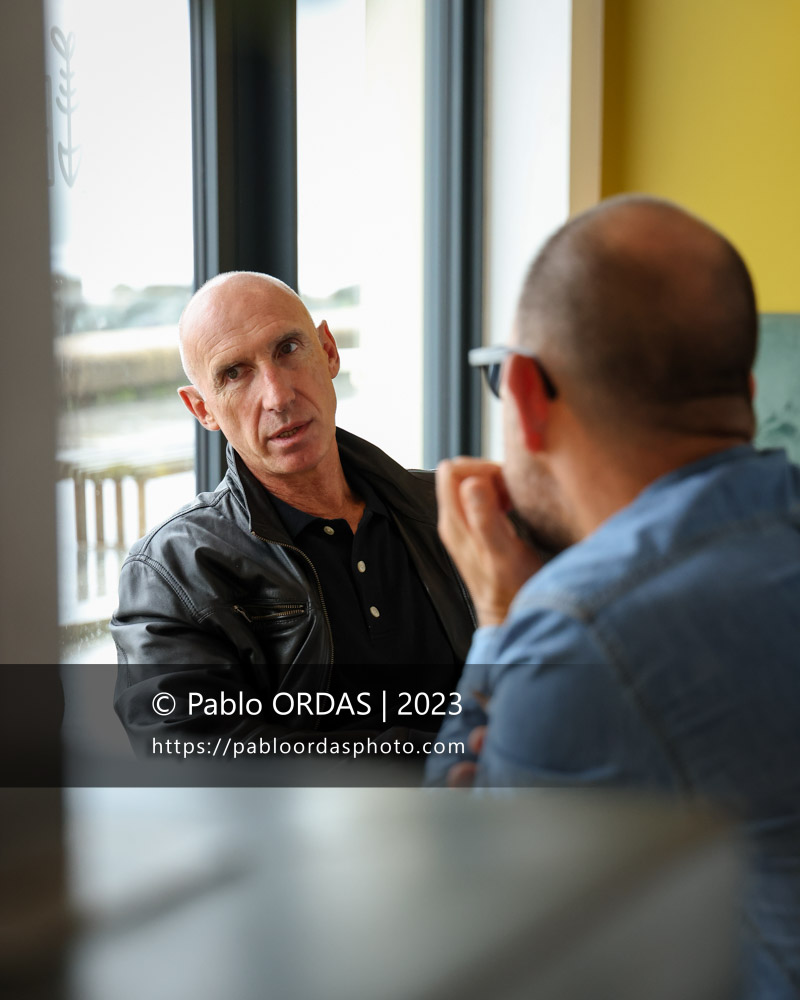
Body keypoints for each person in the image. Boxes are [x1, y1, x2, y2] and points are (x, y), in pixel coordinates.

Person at [426, 195, 800, 998]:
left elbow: (453, 920)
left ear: (526, 395)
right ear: (743, 390)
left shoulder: (580, 636)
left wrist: (500, 620)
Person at [111, 272, 474, 758]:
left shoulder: (454, 508)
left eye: (288, 349)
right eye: (234, 373)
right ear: (202, 409)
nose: (278, 396)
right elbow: (197, 761)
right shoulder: (172, 572)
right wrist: (447, 758)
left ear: (328, 351)